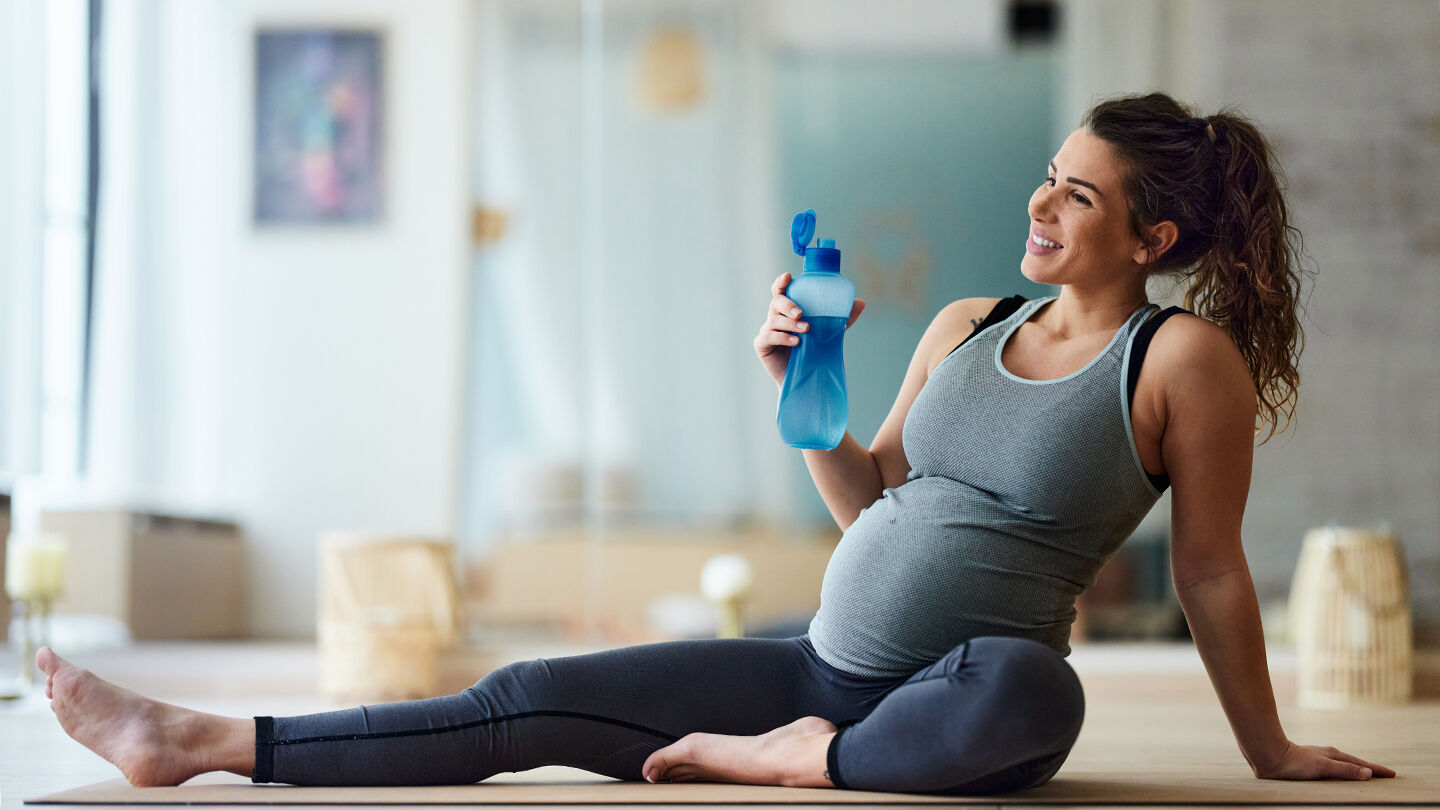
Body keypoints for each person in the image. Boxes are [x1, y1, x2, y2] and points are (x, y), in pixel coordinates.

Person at [36, 91, 1395, 794]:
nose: (1042, 198)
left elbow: (1212, 569)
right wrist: (809, 389)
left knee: (1041, 697)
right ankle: (205, 737)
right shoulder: (975, 320)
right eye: (1051, 169)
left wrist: (1268, 750)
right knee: (525, 691)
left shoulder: (1179, 361)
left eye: (1079, 193)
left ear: (1152, 239)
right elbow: (874, 502)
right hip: (813, 659)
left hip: (953, 701)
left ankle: (799, 759)